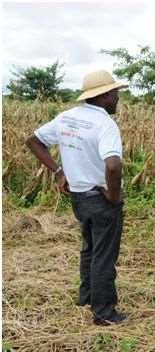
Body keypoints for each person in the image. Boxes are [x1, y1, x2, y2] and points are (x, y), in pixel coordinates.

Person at [25, 70, 128, 326]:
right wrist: (114, 197)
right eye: (114, 93)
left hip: (80, 198)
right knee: (104, 255)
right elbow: (113, 166)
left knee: (89, 249)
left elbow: (34, 141)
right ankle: (104, 313)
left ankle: (87, 297)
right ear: (104, 97)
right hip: (102, 199)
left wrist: (60, 172)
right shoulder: (105, 124)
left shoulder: (67, 117)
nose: (117, 98)